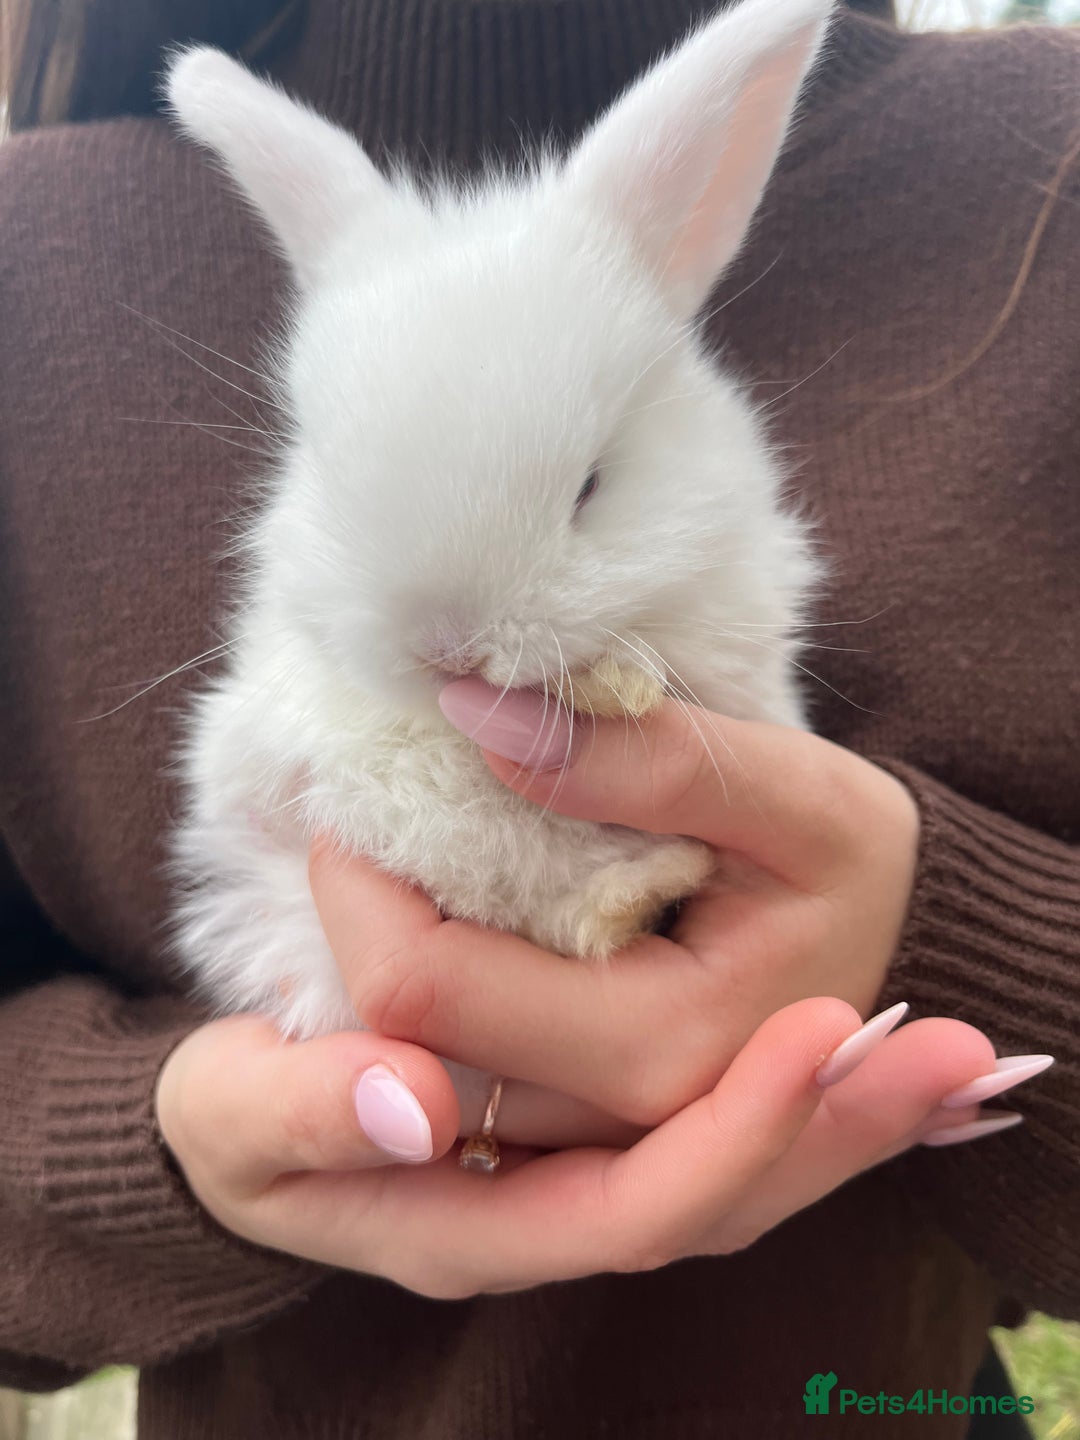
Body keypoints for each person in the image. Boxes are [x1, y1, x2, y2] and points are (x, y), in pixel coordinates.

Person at [0, 0, 1076, 1436]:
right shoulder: (34, 262)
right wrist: (162, 1148)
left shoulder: (1041, 167)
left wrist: (952, 941)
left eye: (576, 495)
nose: (458, 646)